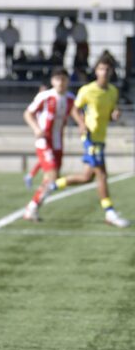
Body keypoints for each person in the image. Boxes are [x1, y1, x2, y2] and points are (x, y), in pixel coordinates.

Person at [45, 56, 130, 227]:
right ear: (96, 70)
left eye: (107, 69)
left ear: (112, 71)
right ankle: (110, 213)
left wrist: (115, 115)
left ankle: (54, 185)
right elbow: (74, 109)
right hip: (90, 138)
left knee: (87, 177)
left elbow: (110, 112)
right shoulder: (87, 90)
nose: (104, 72)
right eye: (101, 69)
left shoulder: (113, 91)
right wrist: (82, 123)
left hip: (101, 138)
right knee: (102, 174)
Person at [21, 69, 74, 222]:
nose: (61, 82)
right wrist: (36, 128)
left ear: (68, 81)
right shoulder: (45, 96)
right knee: (51, 176)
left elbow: (79, 113)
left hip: (58, 142)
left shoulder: (70, 98)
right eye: (58, 79)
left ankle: (33, 207)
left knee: (52, 178)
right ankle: (31, 207)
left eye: (63, 79)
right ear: (52, 81)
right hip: (44, 141)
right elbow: (27, 113)